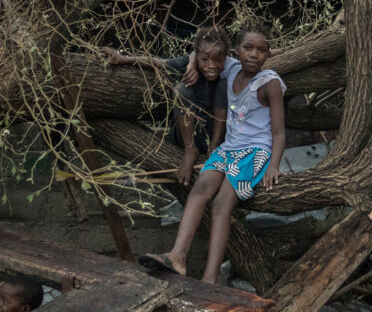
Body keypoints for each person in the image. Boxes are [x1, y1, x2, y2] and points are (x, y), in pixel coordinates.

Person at [139, 25, 285, 284]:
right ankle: (178, 256)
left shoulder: (270, 83)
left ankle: (210, 278)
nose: (254, 55)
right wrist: (192, 64)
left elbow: (278, 132)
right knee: (199, 191)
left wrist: (274, 165)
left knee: (221, 205)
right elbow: (200, 51)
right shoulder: (229, 68)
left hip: (255, 152)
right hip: (228, 148)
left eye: (262, 50)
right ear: (236, 52)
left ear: (268, 54)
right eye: (248, 48)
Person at [103, 26, 232, 185]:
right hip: (189, 132)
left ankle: (215, 145)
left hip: (215, 133)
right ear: (196, 57)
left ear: (225, 58)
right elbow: (159, 62)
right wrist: (124, 59)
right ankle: (190, 150)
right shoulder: (187, 63)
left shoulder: (231, 68)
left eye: (218, 60)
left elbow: (262, 58)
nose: (212, 66)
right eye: (205, 60)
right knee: (182, 89)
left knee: (224, 86)